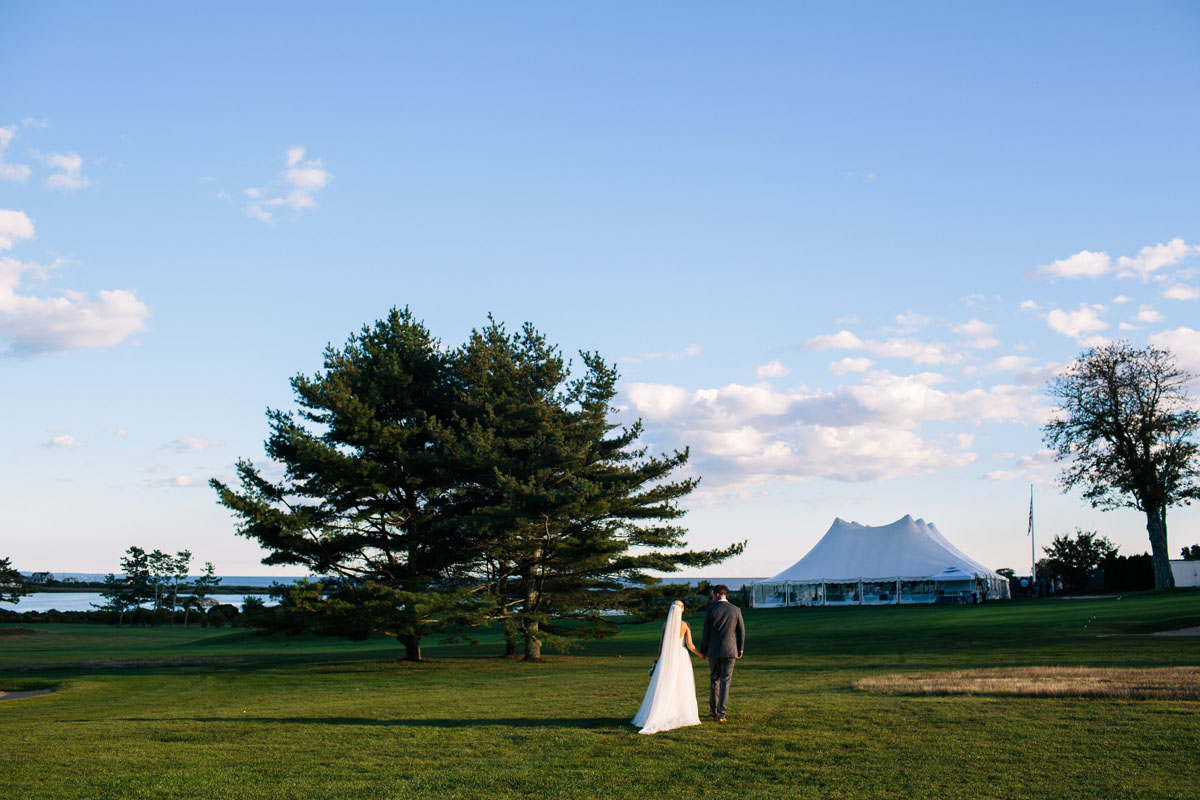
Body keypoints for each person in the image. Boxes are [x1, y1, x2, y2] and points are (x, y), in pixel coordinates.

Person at [632, 600, 703, 734]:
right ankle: (680, 713)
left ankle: (661, 711)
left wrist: (659, 659)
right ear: (682, 610)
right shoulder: (685, 625)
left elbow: (661, 645)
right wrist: (701, 655)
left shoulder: (666, 625)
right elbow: (690, 645)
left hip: (667, 656)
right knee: (681, 686)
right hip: (681, 657)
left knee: (664, 684)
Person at [698, 584, 745, 723]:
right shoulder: (736, 610)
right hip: (730, 650)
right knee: (725, 681)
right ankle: (722, 713)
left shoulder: (711, 610)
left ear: (717, 594)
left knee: (714, 679)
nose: (712, 596)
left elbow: (705, 632)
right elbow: (741, 631)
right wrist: (740, 648)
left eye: (713, 594)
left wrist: (703, 650)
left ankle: (713, 710)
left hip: (713, 650)